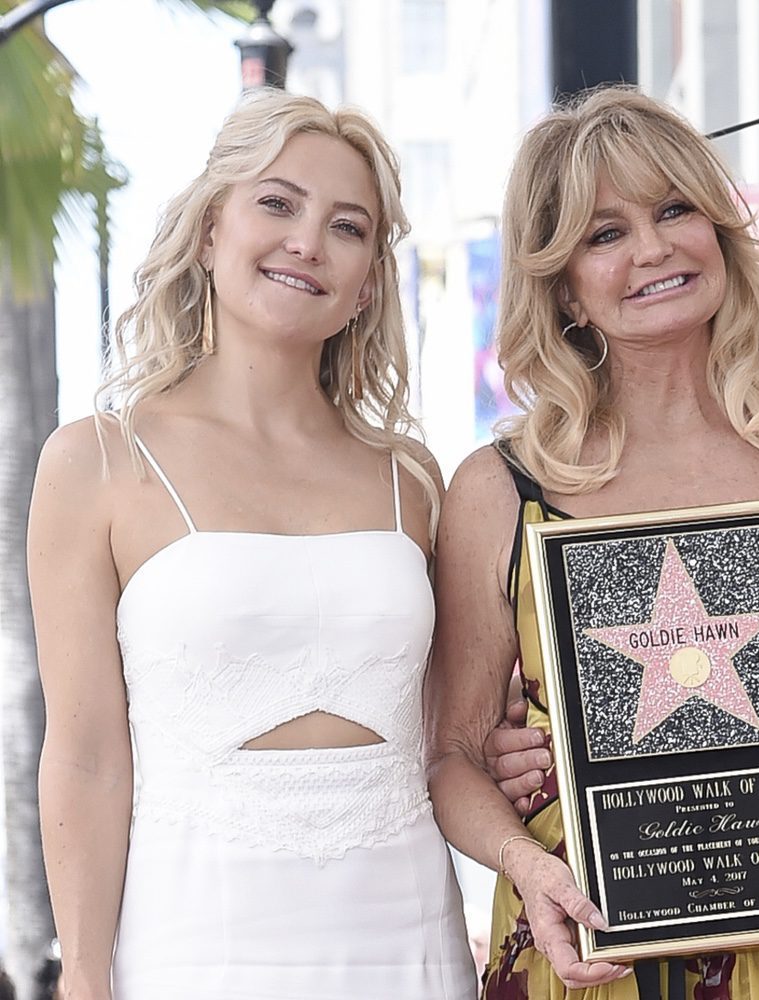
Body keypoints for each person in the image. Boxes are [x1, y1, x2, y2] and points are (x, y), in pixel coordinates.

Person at [426, 86, 759, 1000]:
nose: (652, 249)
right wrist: (525, 868)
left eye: (674, 209)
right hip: (580, 960)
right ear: (562, 283)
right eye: (604, 234)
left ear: (721, 232)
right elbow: (452, 758)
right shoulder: (498, 492)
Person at [27, 90, 473, 998]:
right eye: (277, 203)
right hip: (191, 934)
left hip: (404, 933)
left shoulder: (416, 480)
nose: (307, 240)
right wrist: (81, 973)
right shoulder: (97, 462)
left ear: (367, 286)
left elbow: (452, 737)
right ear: (208, 231)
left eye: (347, 227)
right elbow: (84, 755)